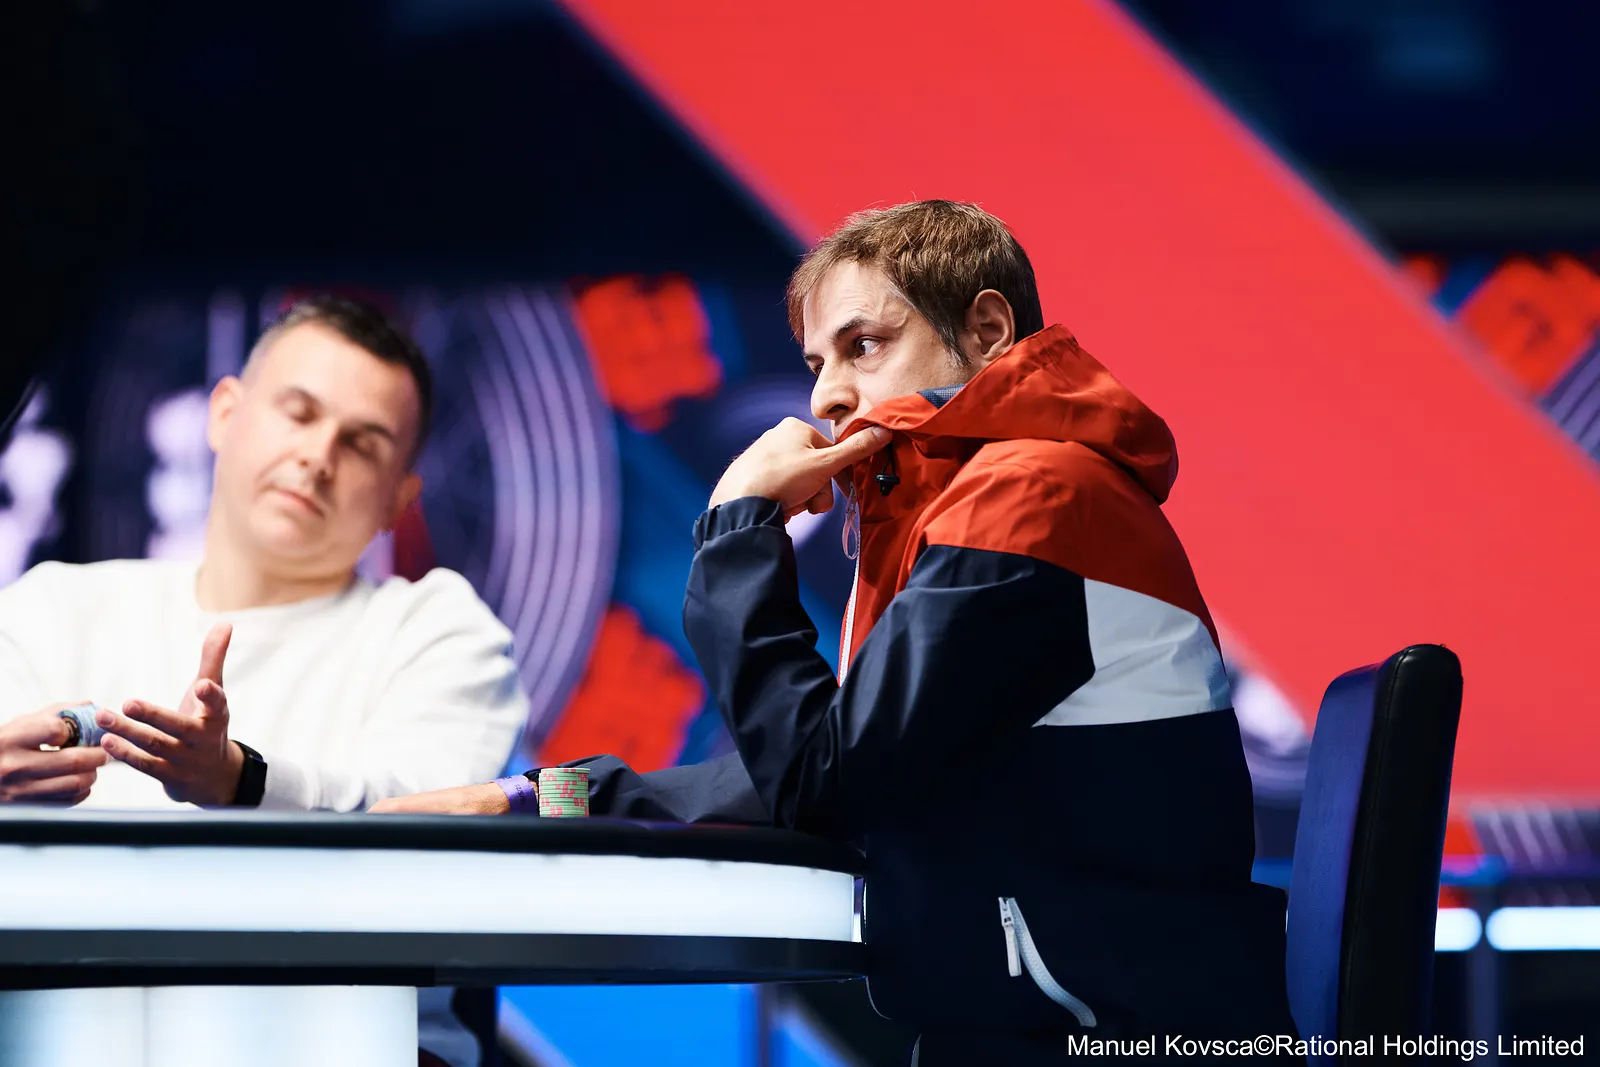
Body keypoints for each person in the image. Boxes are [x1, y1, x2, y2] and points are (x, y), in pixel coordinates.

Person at [375, 202, 1297, 1063]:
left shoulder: (1032, 497)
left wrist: (739, 528)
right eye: (818, 362)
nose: (827, 396)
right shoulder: (966, 510)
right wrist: (541, 797)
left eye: (865, 346)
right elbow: (797, 773)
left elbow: (824, 781)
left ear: (987, 331)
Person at [0, 294, 527, 1067]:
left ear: (399, 499)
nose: (318, 455)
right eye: (299, 413)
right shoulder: (53, 607)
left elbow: (426, 817)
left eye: (363, 442)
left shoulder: (437, 630)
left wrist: (240, 778)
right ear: (223, 415)